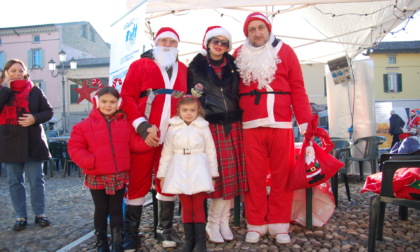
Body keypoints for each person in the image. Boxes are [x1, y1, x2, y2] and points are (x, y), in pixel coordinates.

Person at [232, 12, 313, 244]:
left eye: (261, 28)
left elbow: (297, 86)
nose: (257, 33)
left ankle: (279, 224)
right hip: (249, 124)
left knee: (282, 176)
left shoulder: (286, 51)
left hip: (281, 122)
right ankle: (256, 223)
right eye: (251, 30)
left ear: (268, 29)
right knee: (254, 177)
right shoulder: (238, 54)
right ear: (247, 33)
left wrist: (304, 119)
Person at [120, 27, 187, 250]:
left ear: (178, 45)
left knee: (167, 182)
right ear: (156, 43)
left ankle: (163, 230)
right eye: (163, 41)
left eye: (172, 41)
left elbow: (189, 101)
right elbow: (127, 97)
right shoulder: (139, 66)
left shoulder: (184, 69)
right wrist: (142, 126)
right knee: (138, 183)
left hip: (172, 137)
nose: (167, 45)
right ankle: (131, 233)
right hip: (145, 135)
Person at [68, 86, 152, 251]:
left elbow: (133, 144)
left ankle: (117, 243)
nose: (108, 105)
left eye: (112, 102)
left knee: (115, 210)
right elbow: (75, 148)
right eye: (104, 101)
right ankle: (101, 243)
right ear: (97, 102)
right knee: (100, 209)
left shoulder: (125, 124)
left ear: (118, 103)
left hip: (117, 174)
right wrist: (91, 161)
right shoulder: (83, 126)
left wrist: (150, 140)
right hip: (96, 174)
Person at [187, 26, 248, 243]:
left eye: (224, 42)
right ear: (208, 42)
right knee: (221, 176)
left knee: (233, 176)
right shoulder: (195, 67)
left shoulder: (234, 65)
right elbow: (191, 98)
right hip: (212, 125)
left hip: (235, 123)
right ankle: (212, 222)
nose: (219, 45)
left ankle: (223, 220)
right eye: (216, 41)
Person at [157, 96, 219, 252]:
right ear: (179, 111)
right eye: (185, 110)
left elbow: (211, 151)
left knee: (197, 206)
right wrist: (162, 175)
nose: (189, 113)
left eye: (192, 110)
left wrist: (213, 175)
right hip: (179, 169)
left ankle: (200, 242)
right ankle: (189, 240)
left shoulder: (203, 127)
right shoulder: (173, 127)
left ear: (198, 110)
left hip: (199, 169)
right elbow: (167, 153)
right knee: (186, 206)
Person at [0, 59, 53, 231]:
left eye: (19, 70)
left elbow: (49, 111)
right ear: (6, 72)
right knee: (15, 182)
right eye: (12, 70)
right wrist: (6, 90)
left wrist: (34, 118)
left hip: (32, 143)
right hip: (10, 143)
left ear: (25, 71)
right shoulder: (2, 90)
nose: (16, 73)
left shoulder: (34, 90)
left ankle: (40, 214)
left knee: (37, 180)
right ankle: (20, 217)